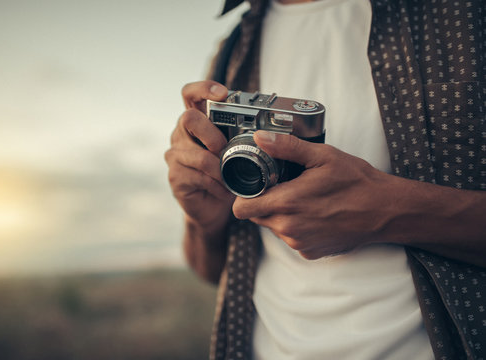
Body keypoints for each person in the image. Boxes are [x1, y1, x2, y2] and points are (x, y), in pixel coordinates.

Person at [165, 0, 486, 359]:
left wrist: (389, 211)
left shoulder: (464, 16)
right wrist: (203, 221)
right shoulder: (235, 48)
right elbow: (210, 271)